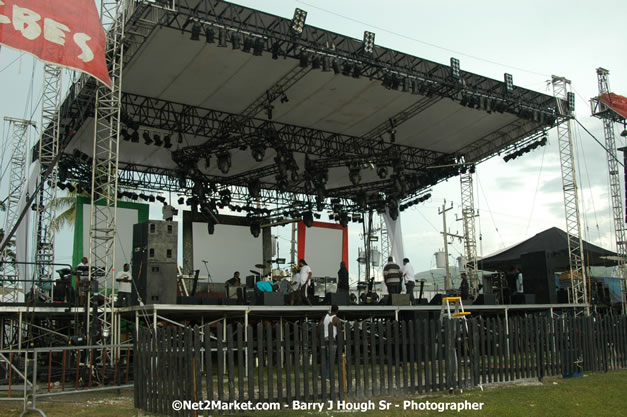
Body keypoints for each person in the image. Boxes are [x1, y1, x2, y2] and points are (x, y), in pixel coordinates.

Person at [320, 304, 340, 380]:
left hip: (324, 338)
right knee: (331, 358)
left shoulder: (325, 317)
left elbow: (320, 325)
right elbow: (339, 330)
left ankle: (321, 374)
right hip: (331, 339)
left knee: (324, 358)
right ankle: (327, 376)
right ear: (337, 310)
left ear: (331, 309)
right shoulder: (335, 319)